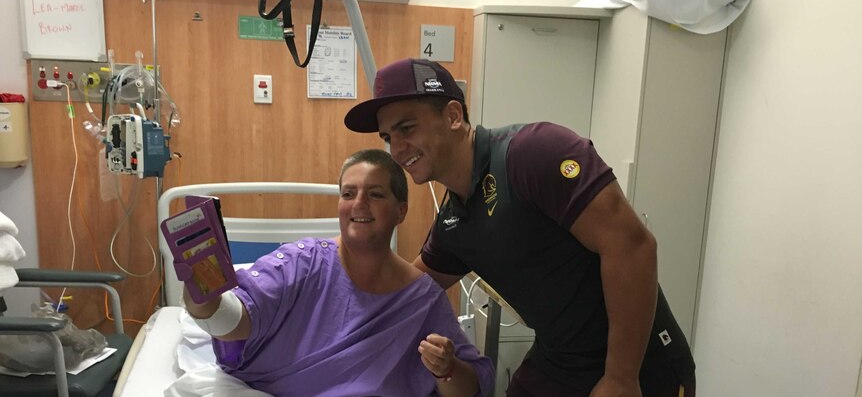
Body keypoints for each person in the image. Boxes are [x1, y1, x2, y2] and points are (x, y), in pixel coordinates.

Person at [343, 58, 696, 397]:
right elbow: (409, 289)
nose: (397, 149)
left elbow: (633, 246)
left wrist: (621, 377)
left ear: (452, 115)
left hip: (637, 365)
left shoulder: (532, 154)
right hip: (560, 360)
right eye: (388, 137)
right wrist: (330, 262)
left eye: (407, 128)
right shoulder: (453, 222)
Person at [180, 149, 494, 397]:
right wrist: (203, 298)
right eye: (348, 194)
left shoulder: (421, 300)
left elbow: (469, 387)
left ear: (401, 211)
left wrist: (445, 368)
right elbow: (234, 320)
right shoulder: (303, 262)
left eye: (375, 194)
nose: (359, 204)